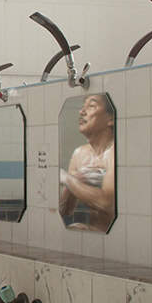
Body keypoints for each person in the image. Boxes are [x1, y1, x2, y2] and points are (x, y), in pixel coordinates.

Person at [58, 93, 116, 232]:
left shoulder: (115, 153)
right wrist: (75, 179)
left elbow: (107, 203)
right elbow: (65, 210)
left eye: (91, 106)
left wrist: (67, 179)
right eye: (83, 106)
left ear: (110, 118)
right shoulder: (80, 154)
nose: (81, 111)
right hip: (95, 237)